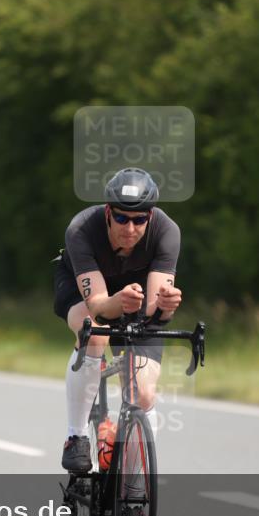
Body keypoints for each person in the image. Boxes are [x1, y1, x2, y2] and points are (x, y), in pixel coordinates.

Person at [53, 167, 183, 475]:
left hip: (137, 291)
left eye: (140, 220)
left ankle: (135, 481)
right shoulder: (82, 228)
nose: (131, 227)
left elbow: (153, 312)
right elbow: (98, 305)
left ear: (150, 217)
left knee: (144, 393)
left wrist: (166, 306)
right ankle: (77, 436)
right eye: (123, 218)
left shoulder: (167, 231)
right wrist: (117, 302)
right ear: (108, 212)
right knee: (94, 332)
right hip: (83, 291)